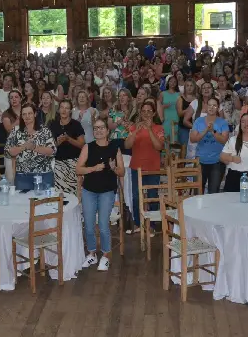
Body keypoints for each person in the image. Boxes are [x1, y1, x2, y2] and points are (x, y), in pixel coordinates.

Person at [76, 118, 125, 272]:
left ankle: (106, 255)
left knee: (103, 225)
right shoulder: (88, 147)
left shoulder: (114, 148)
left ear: (107, 130)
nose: (98, 130)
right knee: (89, 225)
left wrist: (113, 168)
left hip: (107, 191)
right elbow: (78, 170)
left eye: (101, 128)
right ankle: (91, 253)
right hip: (89, 190)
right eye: (96, 128)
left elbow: (122, 172)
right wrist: (93, 168)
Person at [125, 100, 164, 235]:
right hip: (137, 167)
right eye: (144, 111)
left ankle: (151, 225)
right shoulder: (133, 127)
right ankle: (138, 223)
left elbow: (159, 147)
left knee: (152, 196)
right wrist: (136, 130)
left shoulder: (158, 128)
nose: (146, 114)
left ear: (153, 113)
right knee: (136, 196)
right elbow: (127, 146)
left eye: (149, 111)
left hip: (153, 167)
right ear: (140, 113)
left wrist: (149, 130)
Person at [5, 103, 57, 190]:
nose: (27, 116)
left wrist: (34, 147)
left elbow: (52, 151)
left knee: (44, 202)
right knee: (24, 203)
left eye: (30, 113)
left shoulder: (45, 130)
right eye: (24, 114)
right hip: (22, 176)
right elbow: (7, 152)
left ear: (35, 114)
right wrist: (23, 147)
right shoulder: (15, 131)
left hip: (44, 174)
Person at [191, 97, 230, 194]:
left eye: (214, 105)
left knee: (213, 192)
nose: (211, 107)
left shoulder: (223, 122)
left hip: (217, 162)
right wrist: (206, 130)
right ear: (206, 106)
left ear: (217, 108)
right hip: (200, 161)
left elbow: (224, 141)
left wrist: (213, 131)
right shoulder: (198, 121)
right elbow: (193, 139)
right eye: (209, 105)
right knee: (197, 192)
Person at [49, 100, 86, 195]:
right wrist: (58, 142)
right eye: (62, 107)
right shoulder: (53, 125)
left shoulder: (76, 124)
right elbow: (50, 147)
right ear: (58, 110)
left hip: (74, 163)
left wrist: (69, 139)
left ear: (70, 111)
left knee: (75, 192)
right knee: (60, 193)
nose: (64, 110)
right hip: (59, 164)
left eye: (67, 108)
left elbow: (82, 144)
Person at [108, 89, 133, 154]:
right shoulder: (113, 110)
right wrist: (120, 121)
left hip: (127, 142)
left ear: (129, 98)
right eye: (120, 96)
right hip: (114, 141)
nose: (121, 98)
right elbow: (110, 126)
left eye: (124, 95)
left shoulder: (133, 111)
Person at [158, 75, 180, 143]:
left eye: (174, 82)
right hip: (166, 118)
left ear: (176, 83)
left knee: (174, 137)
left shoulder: (179, 94)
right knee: (165, 137)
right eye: (171, 81)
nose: (172, 83)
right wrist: (163, 106)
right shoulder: (162, 94)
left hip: (176, 118)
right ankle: (165, 153)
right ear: (168, 83)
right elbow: (158, 106)